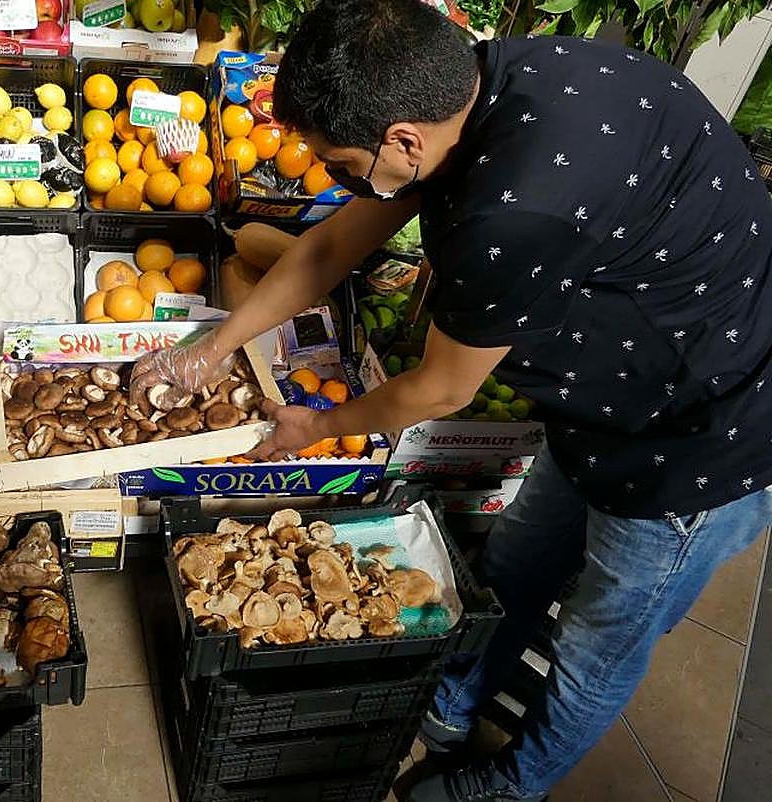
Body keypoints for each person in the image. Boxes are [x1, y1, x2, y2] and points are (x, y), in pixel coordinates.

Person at [129, 0, 772, 799]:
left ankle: (506, 787)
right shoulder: (477, 88)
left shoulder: (513, 211)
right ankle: (446, 710)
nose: (333, 180)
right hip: (605, 394)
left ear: (403, 140)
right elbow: (332, 244)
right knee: (508, 572)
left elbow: (442, 387)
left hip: (705, 430)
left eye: (337, 163)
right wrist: (212, 349)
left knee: (596, 647)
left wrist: (317, 425)